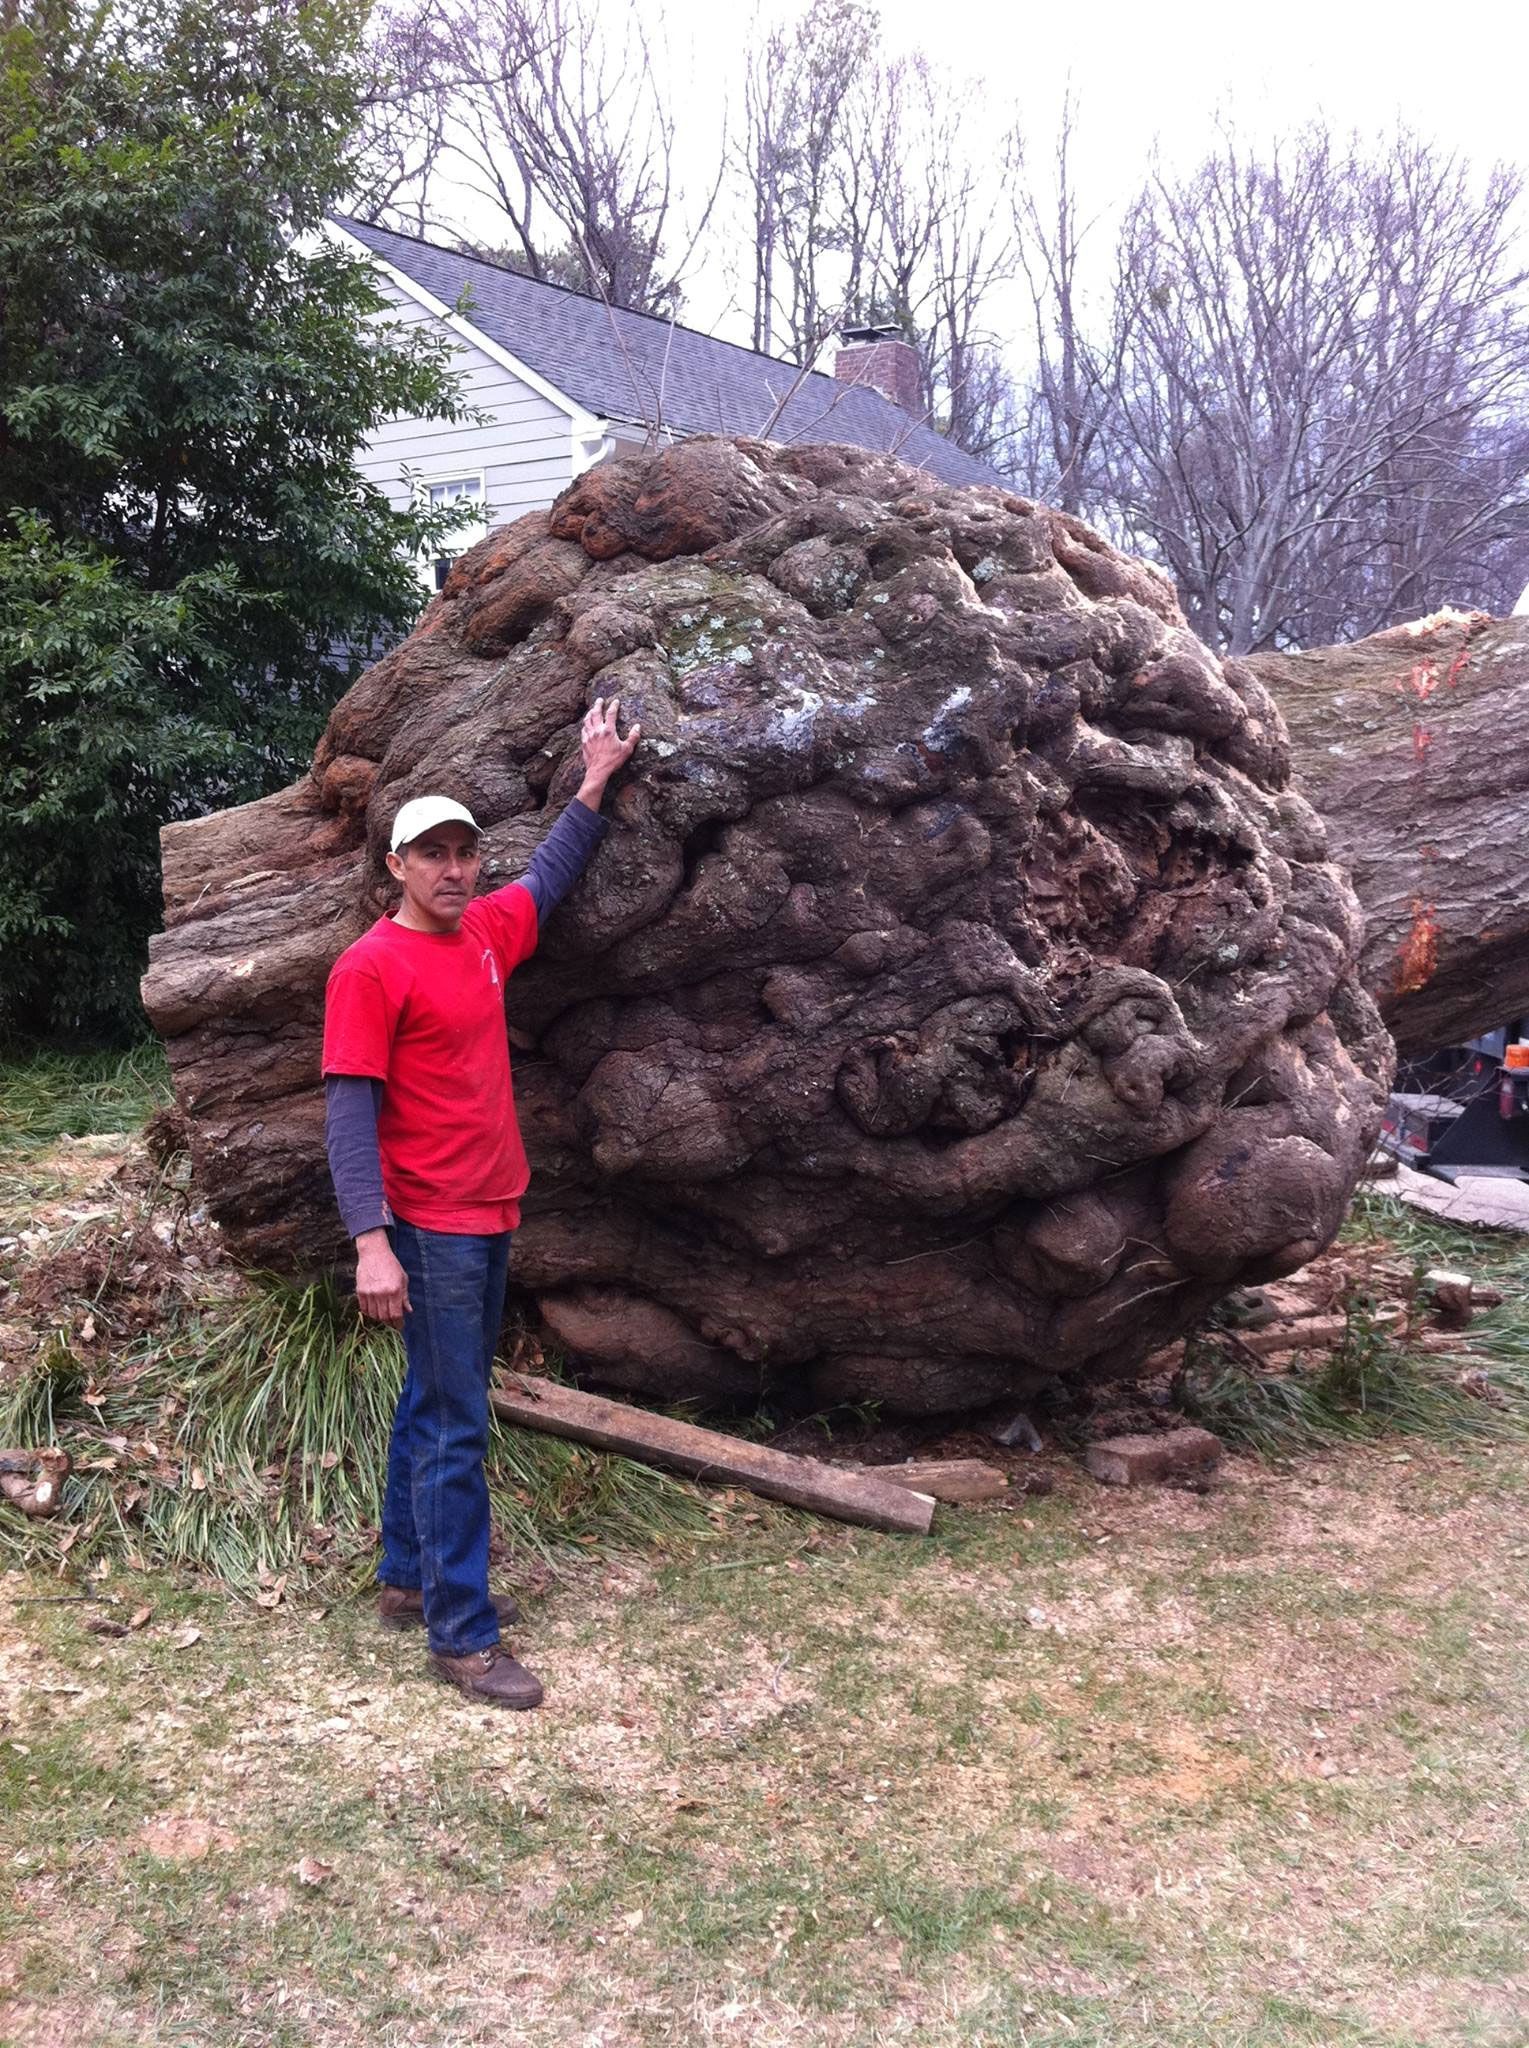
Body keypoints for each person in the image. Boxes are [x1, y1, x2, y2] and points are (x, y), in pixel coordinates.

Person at [321, 697, 640, 1710]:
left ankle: (409, 1580)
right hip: (433, 1225)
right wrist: (371, 1243)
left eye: (465, 852)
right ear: (397, 867)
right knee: (459, 1420)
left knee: (431, 1401)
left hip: (492, 1208)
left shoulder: (485, 935)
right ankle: (464, 1636)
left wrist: (593, 781)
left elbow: (545, 875)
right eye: (434, 854)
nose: (455, 869)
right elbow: (345, 1116)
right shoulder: (369, 967)